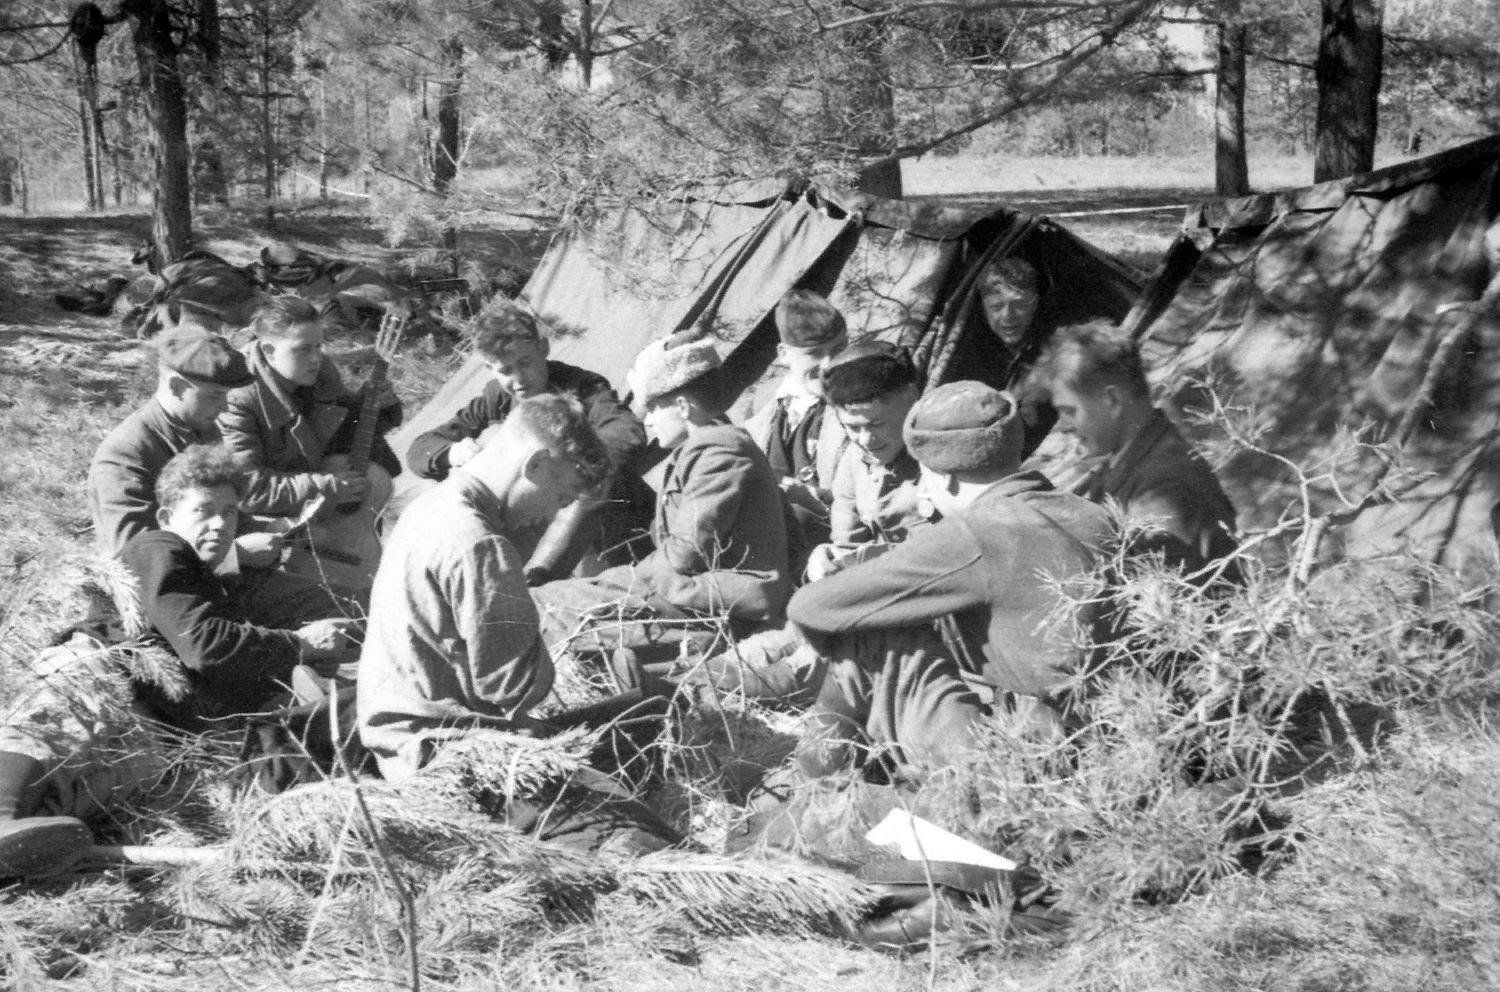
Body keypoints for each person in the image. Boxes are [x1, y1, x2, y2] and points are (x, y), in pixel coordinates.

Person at [0, 447, 356, 878]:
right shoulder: (159, 547)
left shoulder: (216, 586)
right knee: (54, 734)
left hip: (152, 727)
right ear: (168, 516)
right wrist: (299, 643)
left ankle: (17, 849)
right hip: (106, 676)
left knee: (71, 798)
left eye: (230, 512)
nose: (221, 523)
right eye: (204, 510)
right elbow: (204, 646)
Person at [357, 396, 678, 852]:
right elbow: (517, 689)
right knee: (650, 842)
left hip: (411, 744)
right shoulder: (479, 543)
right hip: (454, 764)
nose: (549, 514)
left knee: (648, 715)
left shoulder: (430, 507)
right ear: (537, 464)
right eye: (560, 497)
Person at [787, 381, 1113, 780]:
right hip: (1109, 736)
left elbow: (812, 608)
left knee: (867, 634)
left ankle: (817, 789)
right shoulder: (1090, 513)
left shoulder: (978, 530)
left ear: (945, 479)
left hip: (1027, 758)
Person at [682, 340, 932, 705]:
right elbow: (846, 539)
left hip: (918, 604)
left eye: (876, 423)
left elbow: (949, 552)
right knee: (791, 623)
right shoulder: (857, 460)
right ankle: (697, 680)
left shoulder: (939, 458)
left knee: (826, 638)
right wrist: (828, 555)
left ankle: (790, 677)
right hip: (864, 592)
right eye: (852, 428)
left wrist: (867, 560)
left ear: (911, 397)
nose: (865, 439)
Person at [532, 333, 791, 658]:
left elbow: (685, 553)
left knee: (548, 610)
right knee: (558, 603)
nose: (649, 420)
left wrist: (630, 578)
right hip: (695, 597)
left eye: (653, 407)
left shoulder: (719, 451)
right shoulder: (705, 449)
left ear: (682, 406)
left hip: (719, 607)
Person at [404, 304, 651, 582]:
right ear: (489, 368)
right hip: (533, 518)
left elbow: (626, 433)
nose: (518, 379)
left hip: (602, 521)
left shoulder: (583, 386)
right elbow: (421, 448)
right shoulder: (497, 397)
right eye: (505, 370)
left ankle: (541, 581)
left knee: (589, 489)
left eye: (525, 363)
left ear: (543, 348)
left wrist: (568, 464)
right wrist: (452, 453)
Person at [1040, 321, 1238, 575]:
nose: (1065, 426)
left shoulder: (1162, 488)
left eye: (1070, 411)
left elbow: (1166, 602)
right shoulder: (1132, 460)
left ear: (1112, 400)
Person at [218, 295, 403, 521]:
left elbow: (348, 435)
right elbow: (247, 489)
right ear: (268, 350)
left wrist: (373, 403)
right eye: (303, 349)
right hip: (277, 527)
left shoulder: (321, 373)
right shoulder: (238, 398)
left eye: (319, 346)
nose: (316, 358)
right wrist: (326, 486)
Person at [87, 327, 256, 560]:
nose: (225, 407)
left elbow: (221, 504)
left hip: (210, 565)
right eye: (215, 396)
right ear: (177, 387)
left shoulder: (202, 428)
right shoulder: (125, 453)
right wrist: (236, 555)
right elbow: (136, 552)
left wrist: (267, 531)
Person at [742, 290, 851, 557]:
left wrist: (811, 498)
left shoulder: (856, 401)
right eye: (814, 354)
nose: (829, 364)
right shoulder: (763, 403)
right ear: (784, 354)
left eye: (838, 349)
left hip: (832, 538)